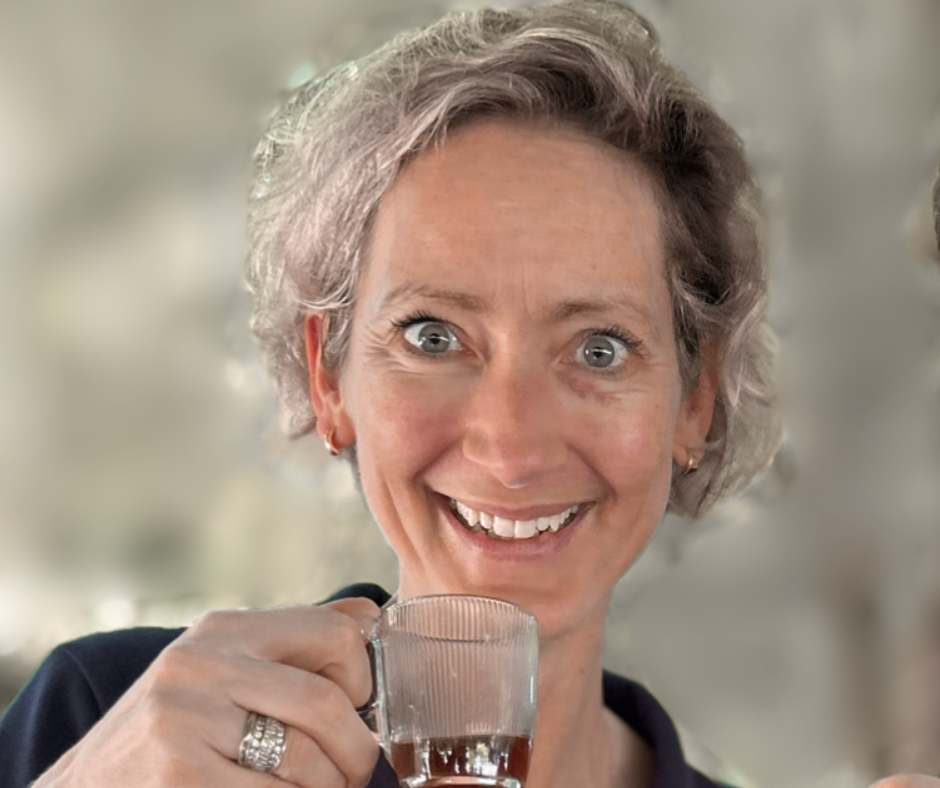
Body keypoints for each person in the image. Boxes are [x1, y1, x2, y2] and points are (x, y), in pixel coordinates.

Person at [1, 2, 935, 786]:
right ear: (330, 378)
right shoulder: (118, 725)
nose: (513, 442)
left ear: (697, 399)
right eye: (433, 337)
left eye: (600, 348)